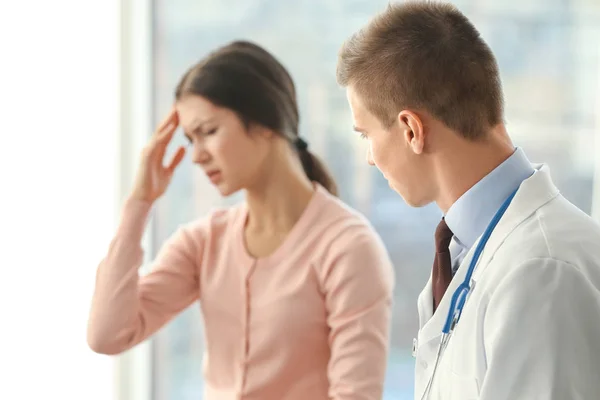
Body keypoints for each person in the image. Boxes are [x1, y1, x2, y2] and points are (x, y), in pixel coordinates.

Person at [87, 40, 395, 400]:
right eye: (190, 138)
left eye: (209, 132)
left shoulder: (348, 247)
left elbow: (356, 395)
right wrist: (139, 203)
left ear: (266, 122)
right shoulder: (203, 242)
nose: (197, 156)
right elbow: (107, 335)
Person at [336, 2, 600, 400]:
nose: (370, 157)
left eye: (365, 135)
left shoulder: (541, 271)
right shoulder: (468, 248)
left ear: (411, 129)